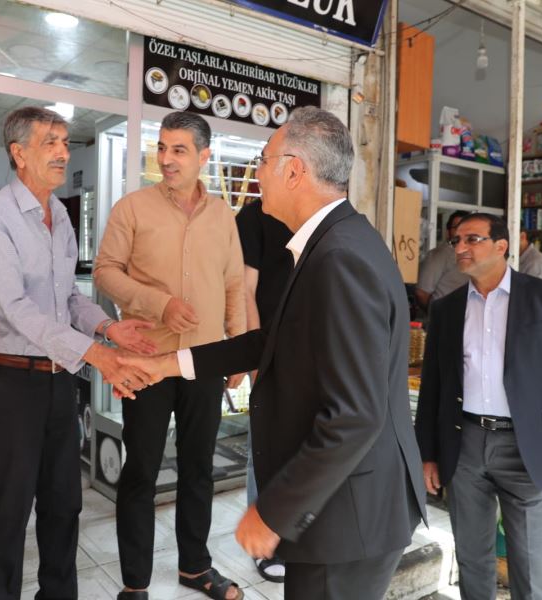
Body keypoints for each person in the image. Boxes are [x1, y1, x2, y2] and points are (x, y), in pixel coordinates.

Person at [118, 107, 426, 600]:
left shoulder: (339, 258)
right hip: (340, 509)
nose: (255, 174)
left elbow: (355, 415)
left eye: (263, 161)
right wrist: (165, 364)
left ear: (294, 170)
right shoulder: (326, 244)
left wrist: (274, 511)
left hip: (348, 517)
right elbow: (270, 344)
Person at [0, 106, 156, 600]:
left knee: (64, 505)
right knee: (7, 514)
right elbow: (16, 308)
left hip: (57, 381)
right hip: (11, 383)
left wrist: (109, 328)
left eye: (65, 142)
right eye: (49, 141)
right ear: (18, 153)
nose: (62, 152)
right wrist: (96, 354)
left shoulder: (61, 218)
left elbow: (67, 297)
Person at [93, 111, 246, 600]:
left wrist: (238, 349)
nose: (166, 159)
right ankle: (135, 583)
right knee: (141, 469)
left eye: (179, 150)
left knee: (198, 468)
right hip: (147, 361)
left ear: (204, 156)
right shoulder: (132, 208)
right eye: (161, 148)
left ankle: (195, 568)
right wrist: (159, 304)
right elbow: (105, 271)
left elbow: (234, 284)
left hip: (205, 361)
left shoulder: (223, 216)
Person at [414, 212, 542, 600]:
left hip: (527, 447)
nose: (460, 247)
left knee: (530, 564)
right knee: (472, 558)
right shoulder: (447, 308)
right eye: (456, 240)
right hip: (464, 444)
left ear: (501, 246)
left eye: (472, 239)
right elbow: (434, 387)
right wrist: (427, 454)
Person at [235, 198, 293, 583]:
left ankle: (294, 534)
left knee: (305, 443)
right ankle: (265, 542)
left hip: (311, 346)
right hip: (269, 348)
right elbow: (245, 289)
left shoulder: (313, 214)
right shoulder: (254, 217)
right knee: (265, 444)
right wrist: (257, 354)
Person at [415, 210, 470, 311]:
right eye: (457, 227)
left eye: (468, 228)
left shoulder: (473, 255)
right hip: (446, 316)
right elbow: (422, 293)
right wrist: (435, 314)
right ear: (448, 232)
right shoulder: (440, 254)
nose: (463, 232)